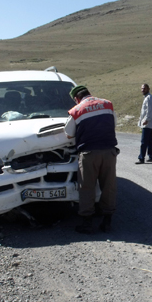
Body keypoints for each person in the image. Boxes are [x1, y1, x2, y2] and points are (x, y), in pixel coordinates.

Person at [65, 85, 118, 234]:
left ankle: (87, 223)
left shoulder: (76, 110)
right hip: (109, 152)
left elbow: (68, 134)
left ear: (76, 98)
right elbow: (113, 124)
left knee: (87, 187)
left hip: (88, 153)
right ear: (89, 93)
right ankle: (107, 222)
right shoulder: (107, 104)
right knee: (108, 186)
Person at [136, 83, 152, 164]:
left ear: (148, 89)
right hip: (147, 123)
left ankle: (141, 158)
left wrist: (147, 120)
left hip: (147, 123)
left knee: (144, 141)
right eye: (141, 88)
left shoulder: (149, 98)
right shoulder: (146, 98)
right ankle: (151, 157)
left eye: (144, 88)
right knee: (149, 141)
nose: (142, 90)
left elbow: (150, 110)